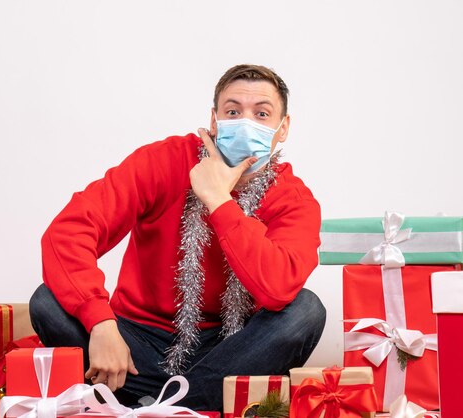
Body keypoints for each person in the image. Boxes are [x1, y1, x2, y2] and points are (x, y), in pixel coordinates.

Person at [30, 64, 326, 411]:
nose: (246, 122)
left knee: (306, 310)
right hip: (133, 346)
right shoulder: (164, 161)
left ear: (283, 128)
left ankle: (161, 406)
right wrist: (100, 322)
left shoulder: (293, 199)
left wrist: (217, 199)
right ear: (215, 121)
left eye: (262, 113)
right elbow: (67, 232)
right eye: (233, 111)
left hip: (228, 350)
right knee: (47, 301)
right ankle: (180, 405)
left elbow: (278, 288)